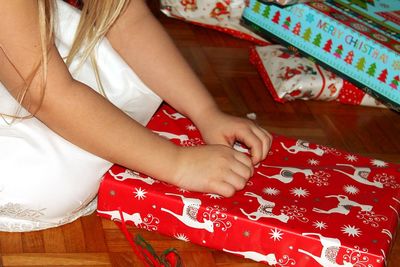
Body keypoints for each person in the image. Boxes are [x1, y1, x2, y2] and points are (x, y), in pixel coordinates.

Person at [0, 0, 272, 232]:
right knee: (42, 183)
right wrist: (177, 163)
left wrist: (206, 113)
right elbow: (46, 92)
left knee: (114, 91)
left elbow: (129, 21)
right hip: (30, 69)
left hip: (30, 54)